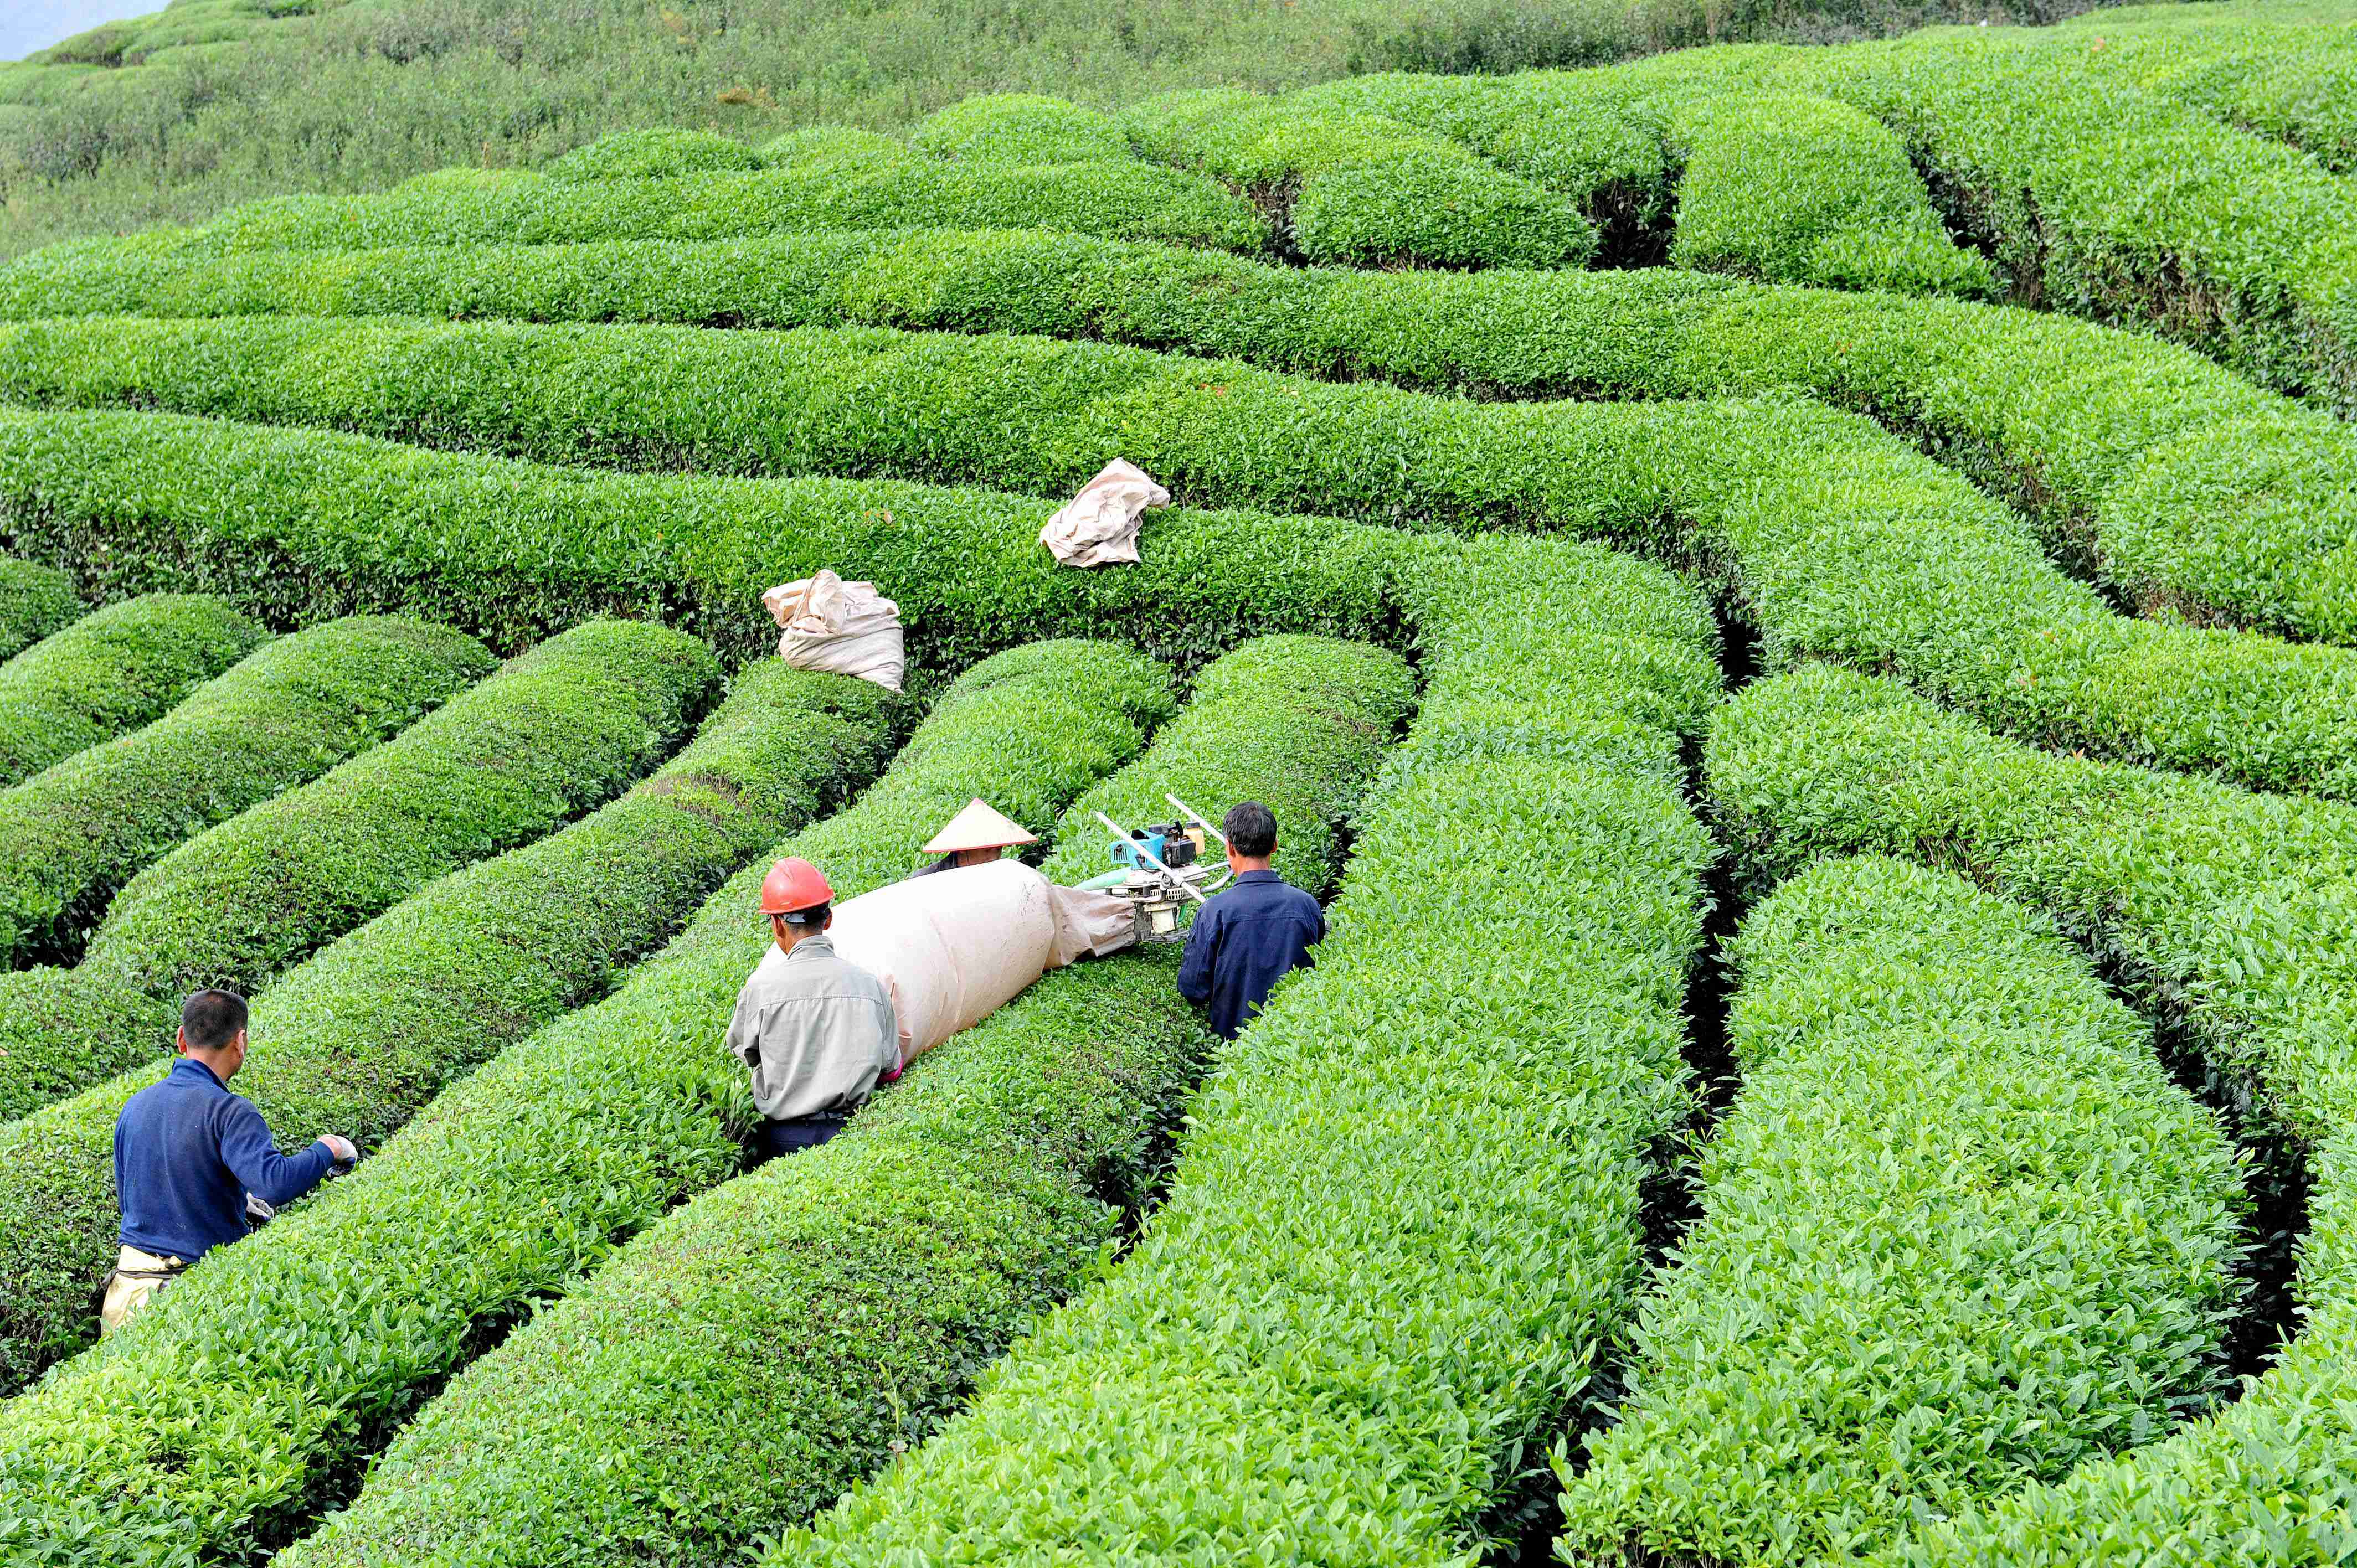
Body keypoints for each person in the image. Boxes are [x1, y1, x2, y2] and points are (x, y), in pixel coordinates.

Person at [106, 989, 358, 1334]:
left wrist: (237, 1203)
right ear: (241, 1042)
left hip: (125, 1295)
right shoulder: (229, 1111)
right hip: (186, 1299)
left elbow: (132, 1201)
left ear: (182, 1038)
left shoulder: (134, 1107)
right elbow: (274, 1182)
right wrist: (327, 1149)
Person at [728, 855, 900, 1157]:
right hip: (853, 1134)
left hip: (782, 1141)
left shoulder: (759, 990)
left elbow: (745, 1053)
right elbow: (890, 1067)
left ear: (778, 925)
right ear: (828, 919)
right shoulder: (870, 986)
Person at [1177, 801, 1325, 1040]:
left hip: (1236, 1055)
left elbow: (1193, 990)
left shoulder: (1214, 912)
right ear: (1274, 846)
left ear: (1230, 849)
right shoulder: (1306, 905)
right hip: (1300, 1043)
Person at [909, 798, 1037, 878]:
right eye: (987, 850)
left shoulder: (1003, 877)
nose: (994, 858)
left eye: (998, 850)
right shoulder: (926, 879)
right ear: (962, 848)